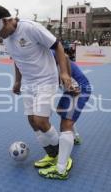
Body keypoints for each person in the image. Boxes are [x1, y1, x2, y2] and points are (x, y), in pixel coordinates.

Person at [0, 6, 74, 179]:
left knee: (41, 121)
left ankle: (64, 157)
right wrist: (18, 81)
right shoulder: (6, 39)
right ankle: (51, 155)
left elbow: (58, 46)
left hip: (46, 80)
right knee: (31, 121)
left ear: (7, 20)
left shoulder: (30, 28)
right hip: (28, 83)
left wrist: (63, 73)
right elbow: (17, 61)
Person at [37, 50, 91, 179]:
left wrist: (69, 80)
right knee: (61, 111)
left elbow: (65, 56)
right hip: (69, 88)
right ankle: (75, 137)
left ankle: (61, 169)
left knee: (66, 124)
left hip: (78, 88)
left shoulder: (45, 52)